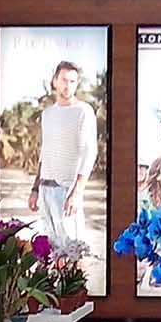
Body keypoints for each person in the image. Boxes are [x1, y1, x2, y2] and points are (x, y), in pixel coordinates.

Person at [36, 61, 98, 247]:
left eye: (72, 81)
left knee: (73, 249)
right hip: (45, 189)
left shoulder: (84, 111)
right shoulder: (47, 114)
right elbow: (44, 152)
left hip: (67, 189)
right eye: (64, 80)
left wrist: (77, 193)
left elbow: (90, 152)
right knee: (50, 249)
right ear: (55, 81)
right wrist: (34, 189)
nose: (67, 85)